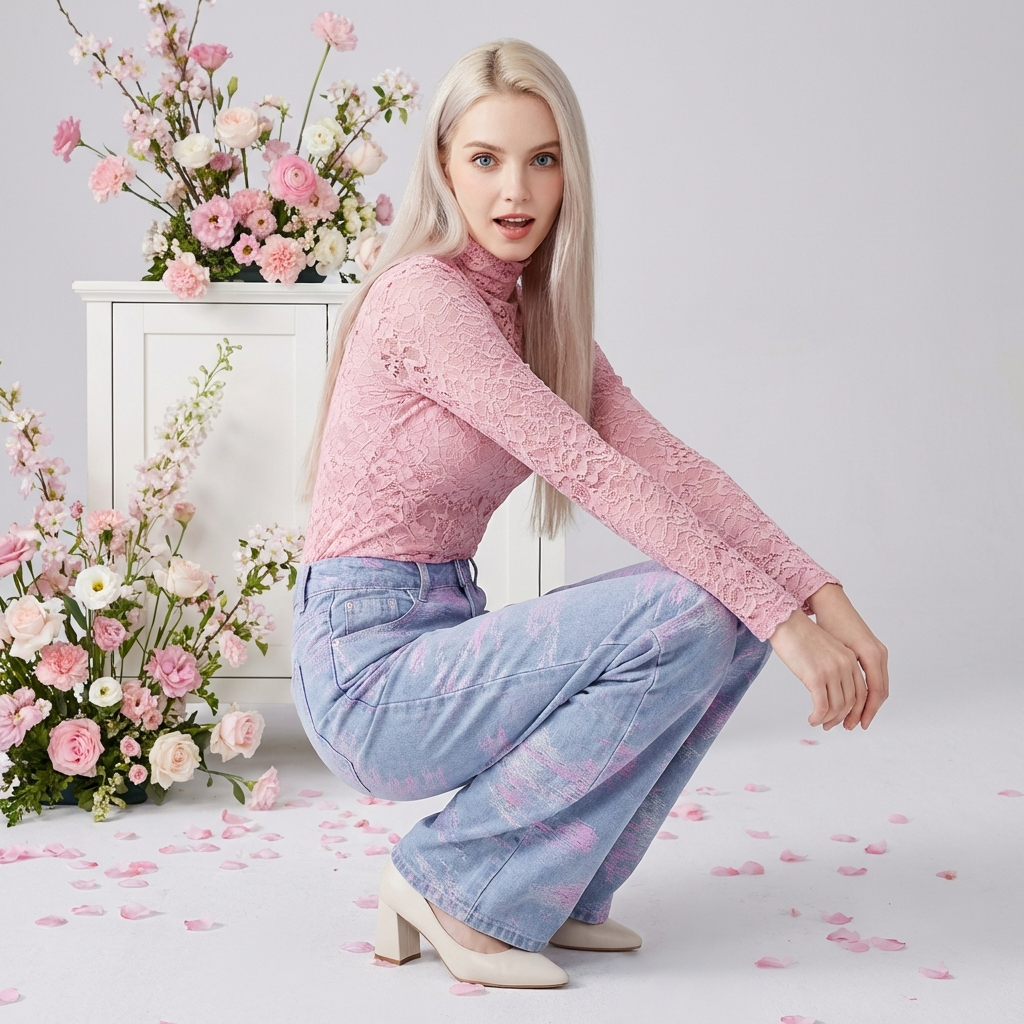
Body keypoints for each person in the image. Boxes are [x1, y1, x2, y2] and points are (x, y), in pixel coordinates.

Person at [292, 38, 889, 990]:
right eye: (485, 159)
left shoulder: (536, 319)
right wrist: (786, 625)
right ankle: (453, 883)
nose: (513, 190)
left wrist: (827, 601)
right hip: (367, 677)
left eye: (542, 157)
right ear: (444, 166)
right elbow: (587, 468)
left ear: (571, 169)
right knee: (704, 603)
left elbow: (674, 468)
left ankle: (554, 891)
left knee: (720, 609)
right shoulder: (424, 301)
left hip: (443, 638)